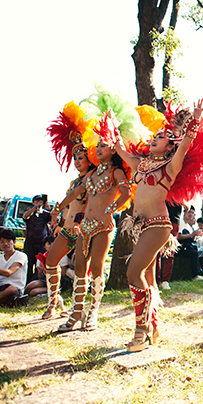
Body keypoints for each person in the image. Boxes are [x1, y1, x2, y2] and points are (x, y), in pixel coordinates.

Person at [114, 99, 203, 351]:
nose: (154, 138)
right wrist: (114, 133)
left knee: (133, 272)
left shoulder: (170, 165)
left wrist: (196, 118)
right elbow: (122, 151)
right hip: (140, 226)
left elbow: (186, 143)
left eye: (161, 137)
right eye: (154, 136)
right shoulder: (143, 163)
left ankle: (140, 330)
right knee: (147, 277)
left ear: (170, 147)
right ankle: (153, 325)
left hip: (158, 225)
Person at [52, 138, 131, 332]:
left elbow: (126, 193)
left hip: (103, 226)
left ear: (113, 149)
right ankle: (77, 312)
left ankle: (94, 311)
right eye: (97, 146)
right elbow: (73, 194)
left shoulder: (116, 172)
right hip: (85, 226)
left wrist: (110, 209)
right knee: (79, 266)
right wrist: (57, 208)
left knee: (96, 267)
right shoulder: (92, 174)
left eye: (103, 145)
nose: (98, 149)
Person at [44, 103, 96, 319]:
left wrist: (77, 223)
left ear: (90, 159)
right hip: (67, 229)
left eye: (81, 158)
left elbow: (88, 204)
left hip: (85, 229)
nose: (76, 161)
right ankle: (53, 302)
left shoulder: (94, 179)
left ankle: (83, 311)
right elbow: (68, 204)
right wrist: (57, 220)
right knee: (50, 262)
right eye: (74, 158)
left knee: (84, 271)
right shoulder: (75, 180)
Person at [22, 194, 52, 285]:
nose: (39, 202)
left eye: (40, 200)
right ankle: (27, 282)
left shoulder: (45, 214)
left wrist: (48, 208)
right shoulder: (30, 213)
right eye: (37, 200)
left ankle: (38, 281)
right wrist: (35, 208)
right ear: (33, 202)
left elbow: (54, 219)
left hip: (41, 243)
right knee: (29, 263)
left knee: (40, 264)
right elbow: (25, 217)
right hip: (30, 243)